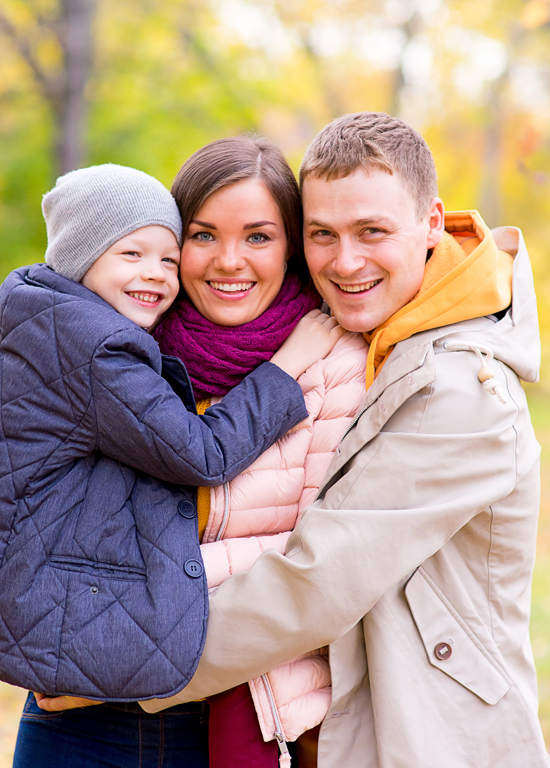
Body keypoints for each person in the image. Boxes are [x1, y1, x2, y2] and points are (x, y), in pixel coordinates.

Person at [42, 112, 550, 767]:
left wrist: (115, 659)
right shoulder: (374, 339)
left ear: (431, 223)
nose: (345, 261)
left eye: (372, 231)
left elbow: (317, 580)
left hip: (430, 732)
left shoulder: (461, 388)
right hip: (342, 715)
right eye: (323, 235)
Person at [0, 163, 344, 767]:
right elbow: (200, 453)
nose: (155, 273)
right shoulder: (105, 346)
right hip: (81, 687)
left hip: (231, 703)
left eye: (165, 259)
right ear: (82, 255)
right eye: (134, 253)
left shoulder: (42, 313)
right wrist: (284, 372)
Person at [20, 137, 369, 768]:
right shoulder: (124, 347)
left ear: (290, 245)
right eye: (204, 235)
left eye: (258, 237)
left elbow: (321, 560)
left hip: (243, 711)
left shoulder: (335, 366)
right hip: (80, 708)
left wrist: (126, 614)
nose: (229, 261)